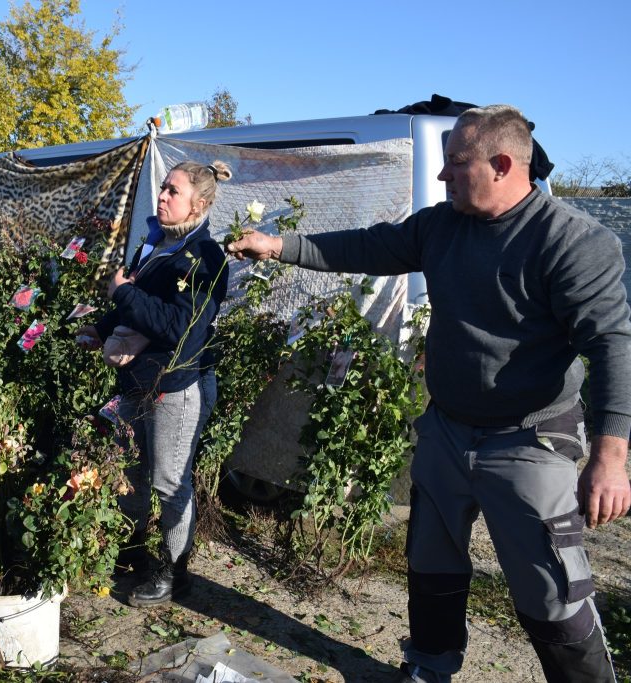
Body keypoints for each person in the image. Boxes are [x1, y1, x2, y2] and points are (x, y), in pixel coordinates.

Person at [227, 105, 631, 683]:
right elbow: (364, 248)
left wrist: (610, 461)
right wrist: (279, 244)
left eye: (455, 163)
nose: (442, 177)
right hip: (446, 429)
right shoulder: (442, 226)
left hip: (529, 439)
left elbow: (613, 346)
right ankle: (430, 665)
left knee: (553, 593)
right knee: (432, 567)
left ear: (501, 164)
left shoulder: (570, 242)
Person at [77, 160, 231, 607]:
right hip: (136, 382)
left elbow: (179, 326)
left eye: (173, 191)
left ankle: (173, 571)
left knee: (168, 480)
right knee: (131, 471)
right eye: (163, 188)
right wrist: (103, 330)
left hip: (175, 386)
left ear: (198, 204)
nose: (161, 196)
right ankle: (133, 553)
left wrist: (122, 293)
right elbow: (138, 303)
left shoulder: (205, 259)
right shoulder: (157, 243)